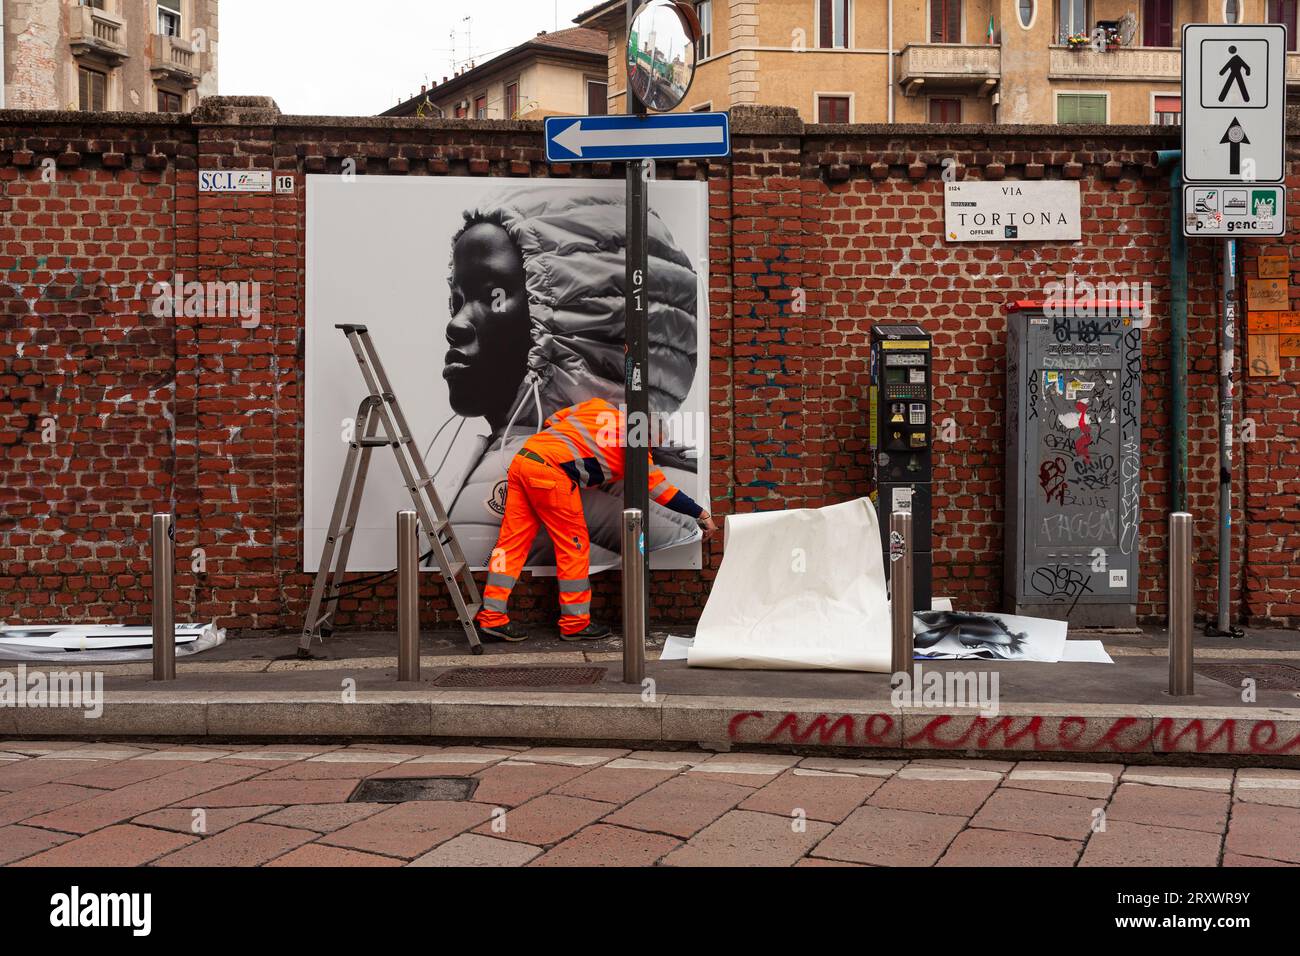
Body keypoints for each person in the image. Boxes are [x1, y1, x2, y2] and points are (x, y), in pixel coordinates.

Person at [475, 396, 717, 642]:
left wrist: (580, 446)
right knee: (574, 547)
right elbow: (661, 492)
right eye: (653, 446)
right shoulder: (635, 454)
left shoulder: (598, 406)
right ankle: (575, 623)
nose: (651, 451)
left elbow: (552, 420)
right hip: (551, 475)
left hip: (524, 459)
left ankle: (492, 617)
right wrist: (701, 513)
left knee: (511, 544)